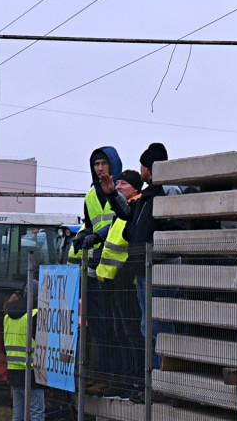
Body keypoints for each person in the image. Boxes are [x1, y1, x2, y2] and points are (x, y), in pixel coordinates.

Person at [105, 143, 187, 372]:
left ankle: (163, 378)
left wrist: (151, 244)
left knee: (158, 326)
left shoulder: (166, 191)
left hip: (159, 268)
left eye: (143, 166)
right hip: (145, 267)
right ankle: (154, 379)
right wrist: (112, 195)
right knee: (148, 326)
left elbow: (174, 226)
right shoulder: (150, 193)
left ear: (149, 168)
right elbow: (130, 214)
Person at [91, 170, 145, 400]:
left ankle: (136, 382)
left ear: (135, 188)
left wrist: (124, 274)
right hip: (113, 283)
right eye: (118, 182)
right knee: (119, 335)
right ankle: (125, 381)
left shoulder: (137, 210)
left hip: (128, 286)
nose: (119, 186)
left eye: (124, 183)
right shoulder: (120, 214)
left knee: (132, 335)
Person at [72, 146, 121, 391]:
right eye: (96, 164)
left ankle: (116, 377)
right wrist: (82, 237)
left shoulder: (119, 191)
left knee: (117, 327)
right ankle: (103, 374)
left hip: (119, 269)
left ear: (113, 165)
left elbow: (120, 219)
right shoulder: (90, 196)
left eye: (103, 163)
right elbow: (90, 225)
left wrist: (98, 236)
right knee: (100, 326)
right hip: (96, 268)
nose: (99, 168)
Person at [3, 289, 44, 421]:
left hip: (13, 371)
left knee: (18, 415)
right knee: (36, 413)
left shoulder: (8, 317)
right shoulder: (35, 315)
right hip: (32, 373)